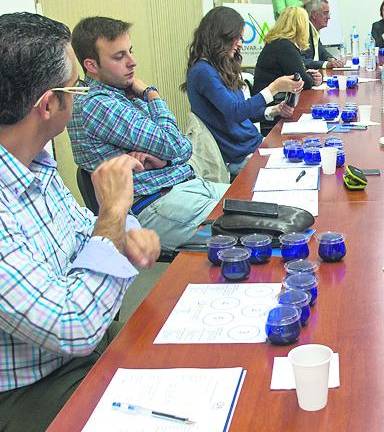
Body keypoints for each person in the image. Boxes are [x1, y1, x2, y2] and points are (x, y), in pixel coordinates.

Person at [0, 13, 161, 431]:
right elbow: (75, 325)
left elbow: (90, 242)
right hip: (34, 389)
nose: (80, 96)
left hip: (86, 348)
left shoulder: (34, 164)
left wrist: (124, 235)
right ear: (48, 104)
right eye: (74, 86)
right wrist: (113, 217)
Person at [68, 17, 229, 251]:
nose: (132, 62)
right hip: (156, 203)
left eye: (130, 51)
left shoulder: (122, 93)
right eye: (118, 57)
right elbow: (178, 145)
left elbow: (175, 148)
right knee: (257, 233)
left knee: (263, 205)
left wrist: (164, 159)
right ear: (91, 66)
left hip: (183, 186)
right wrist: (151, 94)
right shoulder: (99, 104)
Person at [183, 6, 302, 175]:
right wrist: (273, 88)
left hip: (253, 145)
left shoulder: (219, 67)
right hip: (239, 157)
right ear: (221, 36)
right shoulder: (202, 72)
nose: (240, 43)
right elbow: (236, 112)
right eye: (236, 37)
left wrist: (273, 111)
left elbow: (242, 111)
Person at [252, 7, 322, 136]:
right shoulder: (283, 46)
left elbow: (298, 72)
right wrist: (313, 78)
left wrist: (310, 76)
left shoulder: (279, 43)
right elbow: (304, 81)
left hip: (275, 106)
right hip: (273, 113)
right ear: (301, 26)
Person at [303, 0, 344, 69]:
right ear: (314, 15)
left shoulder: (314, 30)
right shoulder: (303, 32)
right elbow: (302, 61)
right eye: (325, 13)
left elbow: (322, 51)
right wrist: (326, 64)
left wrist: (331, 59)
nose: (328, 17)